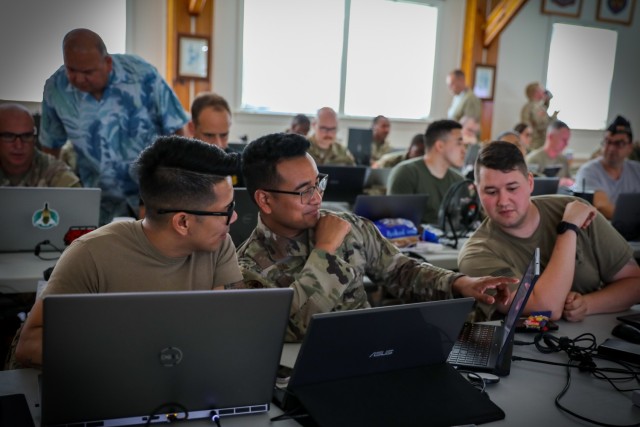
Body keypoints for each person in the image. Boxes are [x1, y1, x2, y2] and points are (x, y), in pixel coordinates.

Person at [236, 132, 514, 341]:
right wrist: (325, 250)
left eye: (318, 183)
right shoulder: (245, 269)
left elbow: (401, 272)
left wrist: (461, 283)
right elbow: (291, 329)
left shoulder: (349, 226)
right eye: (303, 191)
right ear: (265, 200)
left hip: (370, 353)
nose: (318, 197)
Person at [13, 135, 243, 369]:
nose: (233, 217)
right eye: (226, 210)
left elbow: (228, 331)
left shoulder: (219, 245)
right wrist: (132, 355)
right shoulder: (91, 254)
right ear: (182, 222)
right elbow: (29, 347)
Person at [458, 141, 640, 322]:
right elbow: (546, 308)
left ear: (530, 183)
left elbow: (635, 283)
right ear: (477, 192)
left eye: (512, 188)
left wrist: (587, 304)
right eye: (491, 191)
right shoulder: (476, 255)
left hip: (598, 337)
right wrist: (568, 229)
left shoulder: (575, 210)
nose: (503, 201)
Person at [39, 28, 189, 224]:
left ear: (107, 63)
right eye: (71, 70)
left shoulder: (142, 75)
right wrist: (49, 195)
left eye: (88, 72)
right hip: (97, 196)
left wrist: (180, 185)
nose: (78, 78)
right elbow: (51, 146)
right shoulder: (56, 89)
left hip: (151, 193)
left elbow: (178, 129)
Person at [387, 120, 465, 225]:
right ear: (440, 146)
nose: (464, 150)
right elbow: (398, 226)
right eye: (459, 143)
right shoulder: (406, 173)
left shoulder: (459, 181)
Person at [575, 115, 640, 219]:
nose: (611, 148)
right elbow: (602, 207)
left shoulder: (637, 170)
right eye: (608, 141)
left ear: (630, 147)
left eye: (619, 143)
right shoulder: (588, 171)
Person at [0, 103, 80, 187]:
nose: (19, 145)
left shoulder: (52, 170)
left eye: (26, 136)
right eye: (9, 136)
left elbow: (77, 197)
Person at [188, 92, 243, 186]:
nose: (219, 144)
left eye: (224, 135)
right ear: (192, 128)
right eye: (209, 135)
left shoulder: (240, 165)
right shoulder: (175, 167)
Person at [525, 120, 574, 187]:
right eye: (563, 140)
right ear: (550, 137)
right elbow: (530, 185)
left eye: (567, 140)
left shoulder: (563, 160)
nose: (566, 144)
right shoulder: (533, 159)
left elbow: (571, 182)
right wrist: (557, 183)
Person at [520, 82, 558, 150]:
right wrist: (554, 118)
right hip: (536, 144)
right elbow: (541, 124)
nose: (544, 92)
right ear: (536, 92)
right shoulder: (534, 107)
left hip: (536, 144)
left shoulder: (536, 106)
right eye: (542, 90)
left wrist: (547, 100)